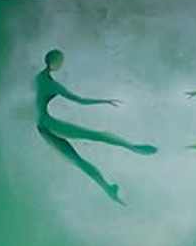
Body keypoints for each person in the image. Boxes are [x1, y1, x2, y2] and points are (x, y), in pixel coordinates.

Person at [30, 49, 154, 201]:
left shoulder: (37, 79)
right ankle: (133, 147)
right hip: (49, 124)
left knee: (78, 161)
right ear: (54, 62)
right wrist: (104, 101)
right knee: (94, 136)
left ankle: (108, 189)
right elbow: (79, 100)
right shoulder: (52, 84)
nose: (62, 64)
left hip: (42, 129)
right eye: (60, 61)